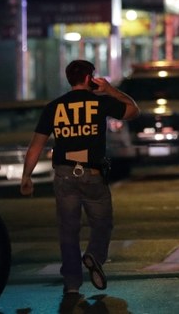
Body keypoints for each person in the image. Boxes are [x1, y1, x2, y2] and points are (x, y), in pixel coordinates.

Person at [20, 59, 139, 295]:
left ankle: (72, 283)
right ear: (89, 78)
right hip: (92, 174)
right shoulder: (100, 102)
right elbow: (133, 111)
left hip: (64, 175)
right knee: (102, 224)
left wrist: (26, 176)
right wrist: (110, 90)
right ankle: (94, 255)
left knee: (68, 230)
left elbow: (36, 145)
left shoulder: (54, 107)